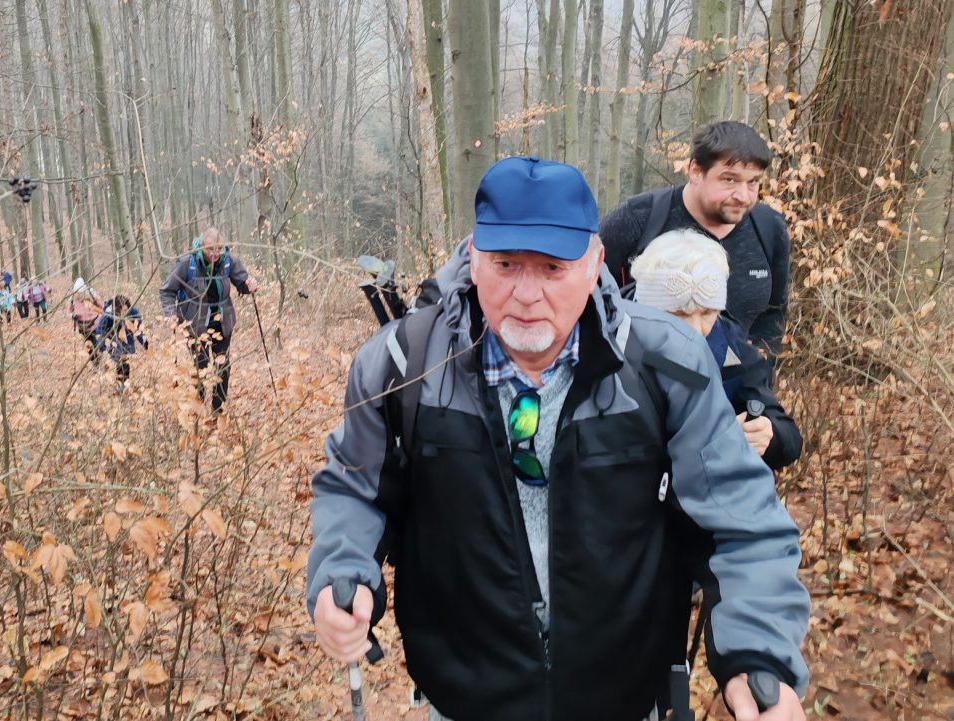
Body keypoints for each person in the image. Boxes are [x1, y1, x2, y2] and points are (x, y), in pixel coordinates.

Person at [307, 156, 809, 721]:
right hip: (466, 697)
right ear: (473, 260)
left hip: (622, 694)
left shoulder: (667, 363)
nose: (525, 294)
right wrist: (341, 573)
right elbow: (354, 488)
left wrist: (757, 650)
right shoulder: (405, 364)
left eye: (552, 268)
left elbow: (743, 518)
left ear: (595, 262)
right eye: (505, 265)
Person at [599, 121, 790, 356]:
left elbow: (774, 311)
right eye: (729, 179)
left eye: (753, 182)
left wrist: (758, 375)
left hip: (734, 386)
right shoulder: (638, 219)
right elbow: (588, 296)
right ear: (695, 171)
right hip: (641, 383)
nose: (743, 195)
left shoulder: (769, 227)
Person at [630, 229, 802, 470]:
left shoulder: (729, 341)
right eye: (679, 314)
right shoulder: (606, 338)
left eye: (707, 313)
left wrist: (769, 435)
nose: (697, 329)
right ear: (647, 307)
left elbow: (788, 436)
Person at [159, 228, 256, 414]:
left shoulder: (229, 260)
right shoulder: (188, 263)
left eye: (219, 249)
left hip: (223, 320)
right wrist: (171, 312)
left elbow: (242, 283)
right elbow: (166, 291)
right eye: (211, 250)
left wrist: (250, 285)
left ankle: (218, 408)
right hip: (194, 321)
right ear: (201, 246)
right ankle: (199, 405)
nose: (216, 253)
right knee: (201, 365)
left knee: (223, 364)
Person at [106, 294, 147, 384]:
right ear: (117, 309)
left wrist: (145, 343)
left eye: (126, 309)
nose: (125, 312)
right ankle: (120, 384)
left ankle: (123, 384)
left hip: (128, 339)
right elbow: (101, 330)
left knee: (126, 362)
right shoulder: (109, 314)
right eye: (122, 310)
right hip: (113, 338)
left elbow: (139, 330)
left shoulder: (133, 312)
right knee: (119, 361)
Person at [68, 278, 103, 362]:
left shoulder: (92, 295)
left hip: (94, 324)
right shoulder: (72, 299)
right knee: (88, 346)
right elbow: (68, 311)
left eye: (80, 293)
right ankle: (95, 362)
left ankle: (98, 357)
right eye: (76, 293)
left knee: (96, 344)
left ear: (84, 291)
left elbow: (102, 306)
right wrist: (72, 315)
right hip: (82, 327)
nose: (78, 296)